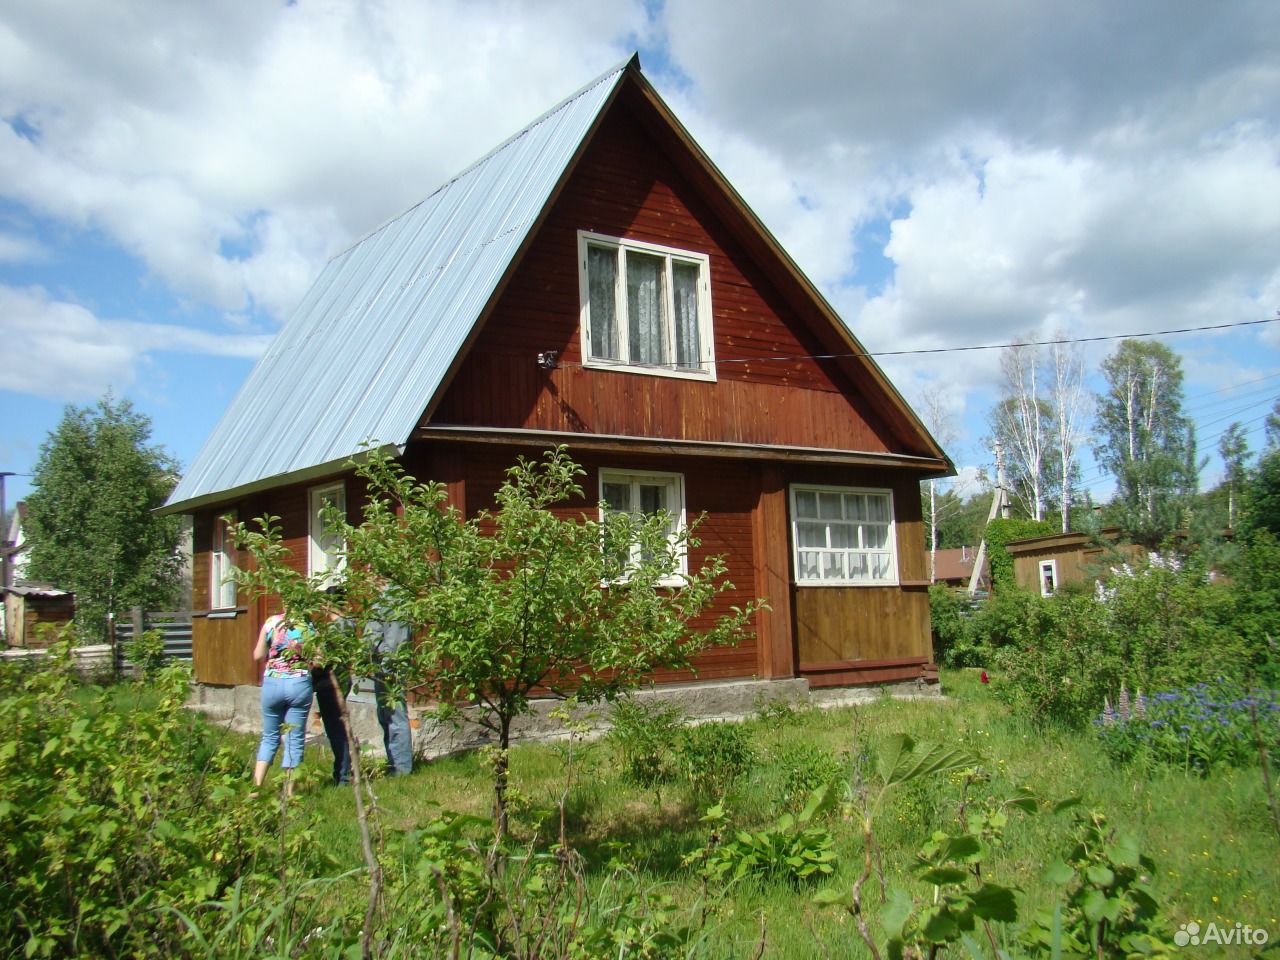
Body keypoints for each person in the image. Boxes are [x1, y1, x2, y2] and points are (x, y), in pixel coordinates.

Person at [253, 612, 313, 793]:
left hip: (272, 683)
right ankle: (289, 794)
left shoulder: (271, 622)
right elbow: (318, 659)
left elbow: (258, 655)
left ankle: (255, 788)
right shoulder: (308, 625)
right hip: (299, 684)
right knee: (294, 739)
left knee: (269, 737)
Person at [365, 606, 414, 776]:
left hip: (389, 670)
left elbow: (395, 642)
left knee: (395, 716)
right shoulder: (381, 600)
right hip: (381, 668)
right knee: (386, 716)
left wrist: (389, 668)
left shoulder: (392, 602)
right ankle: (393, 764)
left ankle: (401, 769)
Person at [310, 661, 352, 785]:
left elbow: (319, 661)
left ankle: (343, 776)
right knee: (336, 729)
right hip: (334, 679)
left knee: (336, 730)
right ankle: (342, 774)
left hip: (331, 681)